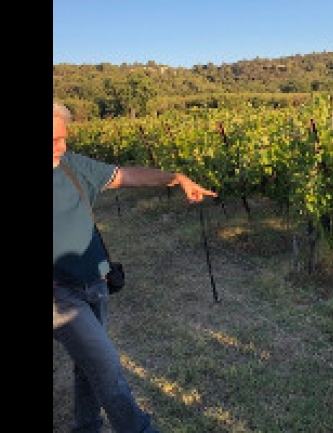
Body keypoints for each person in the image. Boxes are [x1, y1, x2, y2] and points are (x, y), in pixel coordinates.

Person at [53, 100, 217, 433]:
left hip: (96, 281)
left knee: (89, 366)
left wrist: (176, 177)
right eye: (53, 140)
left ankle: (86, 426)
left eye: (63, 137)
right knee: (107, 367)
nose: (62, 146)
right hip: (58, 295)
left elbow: (125, 175)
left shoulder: (72, 166)